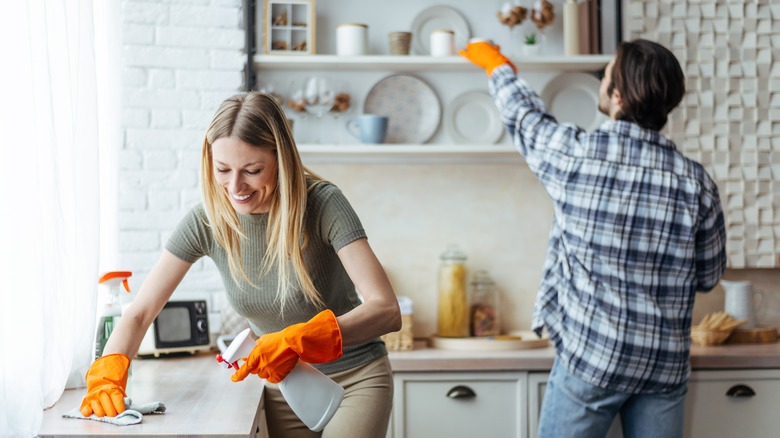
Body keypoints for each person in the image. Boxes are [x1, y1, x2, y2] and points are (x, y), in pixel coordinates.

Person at [79, 92, 402, 437]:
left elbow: (386, 310)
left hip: (356, 378)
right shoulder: (207, 222)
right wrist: (107, 374)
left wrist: (298, 340)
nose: (235, 187)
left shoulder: (323, 204)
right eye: (223, 170)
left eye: (252, 170)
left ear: (281, 160)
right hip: (281, 389)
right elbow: (140, 313)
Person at [460, 39, 726, 437]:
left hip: (593, 360)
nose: (601, 80)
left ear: (617, 94)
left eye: (606, 74)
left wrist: (497, 66)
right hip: (662, 365)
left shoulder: (575, 156)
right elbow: (708, 275)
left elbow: (524, 116)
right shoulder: (696, 183)